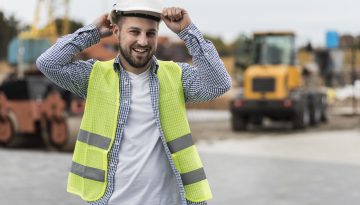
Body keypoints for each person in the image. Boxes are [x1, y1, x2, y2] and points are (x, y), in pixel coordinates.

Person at [36, 0, 231, 205]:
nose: (143, 41)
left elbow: (218, 84)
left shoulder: (176, 75)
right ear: (117, 32)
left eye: (150, 33)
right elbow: (48, 63)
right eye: (134, 32)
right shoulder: (93, 76)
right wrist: (92, 31)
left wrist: (187, 31)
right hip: (111, 200)